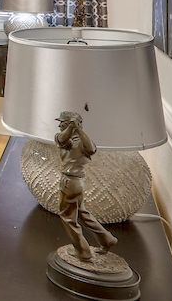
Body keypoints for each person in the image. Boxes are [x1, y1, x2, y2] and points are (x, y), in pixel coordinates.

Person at [55, 111, 118, 260]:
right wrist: (73, 128)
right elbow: (62, 140)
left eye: (62, 122)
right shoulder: (63, 137)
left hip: (70, 183)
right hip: (77, 183)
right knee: (83, 213)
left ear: (70, 124)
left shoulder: (83, 141)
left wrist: (77, 128)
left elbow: (91, 149)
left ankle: (82, 252)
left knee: (68, 218)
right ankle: (107, 239)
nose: (59, 125)